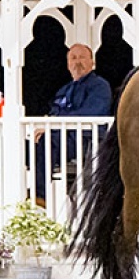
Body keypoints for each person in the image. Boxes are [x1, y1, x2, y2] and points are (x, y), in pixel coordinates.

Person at [33, 44, 112, 206]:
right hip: (64, 137)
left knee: (47, 142)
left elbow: (90, 113)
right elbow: (55, 112)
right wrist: (46, 125)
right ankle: (7, 189)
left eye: (82, 57)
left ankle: (40, 195)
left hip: (87, 140)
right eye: (73, 58)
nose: (77, 62)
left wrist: (51, 126)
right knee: (28, 143)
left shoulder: (100, 86)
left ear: (92, 62)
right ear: (68, 64)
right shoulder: (65, 89)